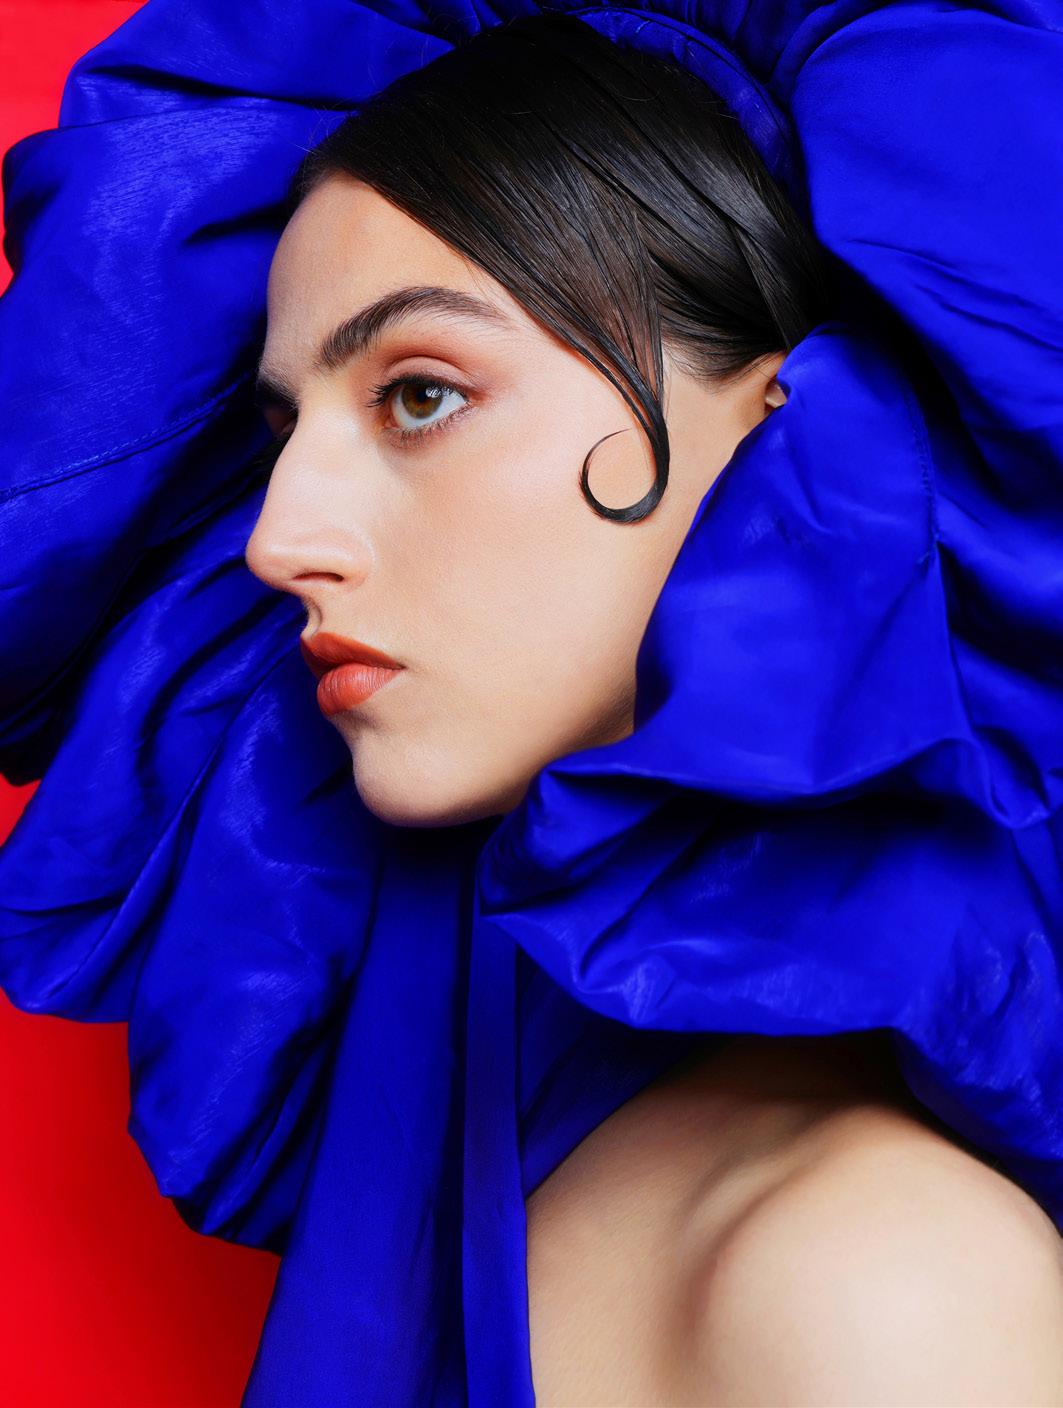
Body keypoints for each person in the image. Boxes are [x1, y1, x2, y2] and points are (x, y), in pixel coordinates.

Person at [1, 3, 1061, 1405]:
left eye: (419, 395)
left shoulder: (875, 1277)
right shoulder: (535, 1175)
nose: (277, 539)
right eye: (284, 429)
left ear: (792, 431)